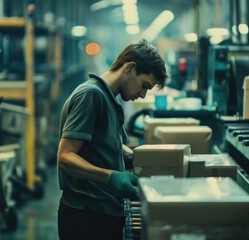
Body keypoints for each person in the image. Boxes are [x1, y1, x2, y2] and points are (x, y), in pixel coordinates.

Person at [57, 39, 168, 240]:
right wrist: (111, 176)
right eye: (144, 85)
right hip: (86, 219)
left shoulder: (109, 98)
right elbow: (65, 157)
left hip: (102, 213)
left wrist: (130, 154)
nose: (143, 95)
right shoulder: (90, 95)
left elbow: (98, 144)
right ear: (130, 68)